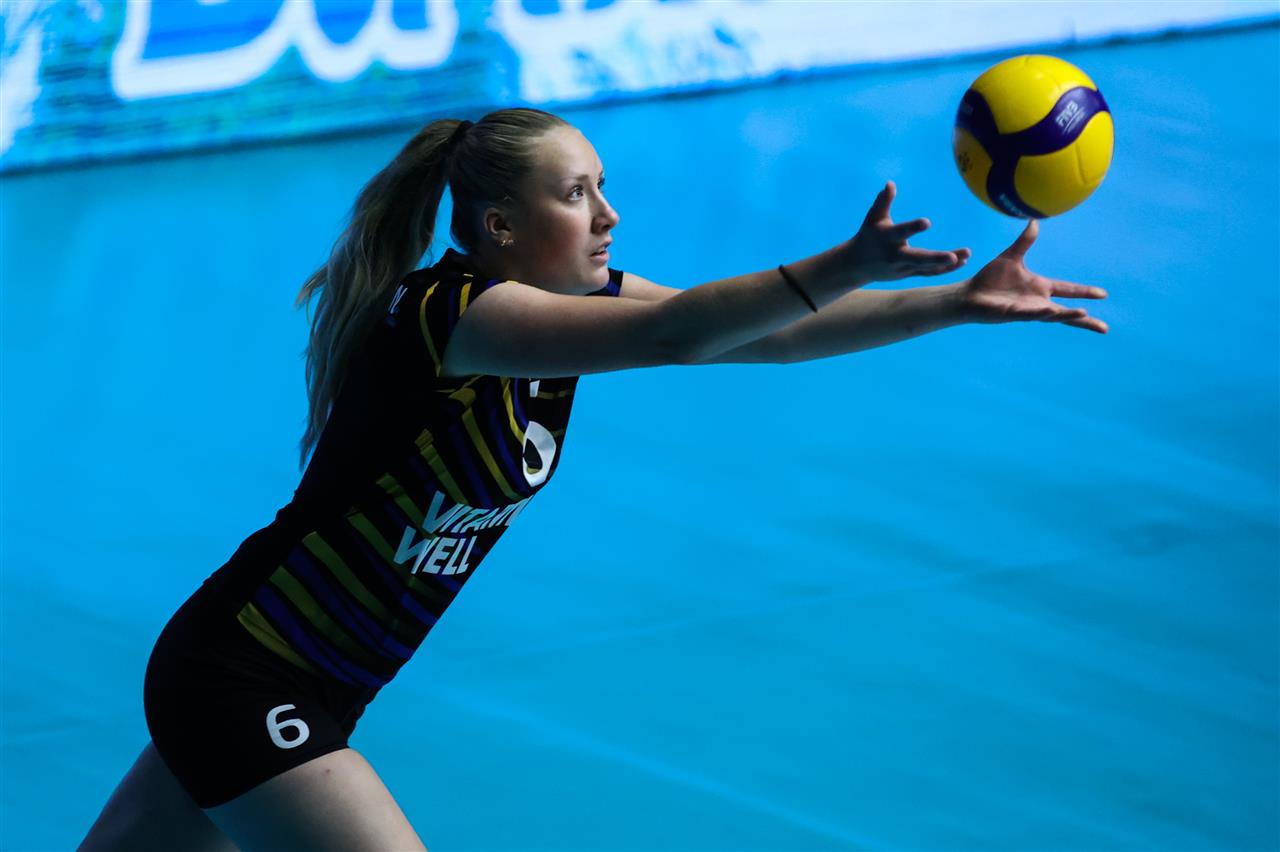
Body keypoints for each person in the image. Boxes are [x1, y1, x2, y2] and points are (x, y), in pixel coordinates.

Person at [79, 106, 1107, 851]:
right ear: (499, 229)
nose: (608, 215)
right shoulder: (456, 316)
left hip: (322, 682)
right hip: (249, 673)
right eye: (576, 195)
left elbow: (763, 339)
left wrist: (954, 305)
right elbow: (677, 332)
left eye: (602, 187)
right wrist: (842, 261)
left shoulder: (566, 308)